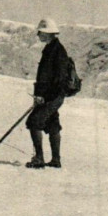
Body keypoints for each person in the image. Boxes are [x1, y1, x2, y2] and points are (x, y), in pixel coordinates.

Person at [25, 18, 70, 169]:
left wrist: (44, 96)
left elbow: (58, 78)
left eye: (40, 32)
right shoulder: (52, 48)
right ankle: (56, 160)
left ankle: (39, 159)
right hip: (53, 95)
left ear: (48, 33)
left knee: (34, 121)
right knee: (52, 123)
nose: (38, 35)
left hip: (52, 96)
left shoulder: (56, 51)